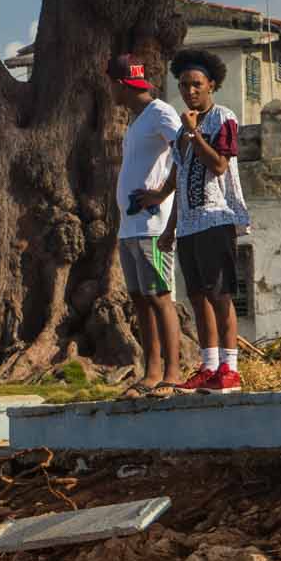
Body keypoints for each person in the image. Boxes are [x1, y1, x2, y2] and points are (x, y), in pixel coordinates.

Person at [165, 48, 251, 394]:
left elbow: (218, 166)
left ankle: (230, 368)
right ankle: (209, 365)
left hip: (216, 218)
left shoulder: (222, 118)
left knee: (220, 295)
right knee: (198, 298)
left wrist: (196, 134)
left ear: (211, 85)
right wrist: (170, 227)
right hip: (189, 225)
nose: (190, 91)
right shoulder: (181, 131)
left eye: (196, 84)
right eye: (184, 85)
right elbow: (181, 177)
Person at [107, 53, 184, 396]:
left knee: (159, 297)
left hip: (153, 226)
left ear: (120, 84)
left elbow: (187, 149)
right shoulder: (138, 120)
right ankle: (151, 371)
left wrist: (161, 193)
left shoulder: (161, 113)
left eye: (111, 84)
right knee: (139, 300)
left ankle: (173, 372)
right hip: (130, 228)